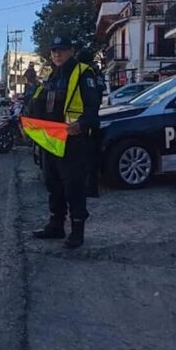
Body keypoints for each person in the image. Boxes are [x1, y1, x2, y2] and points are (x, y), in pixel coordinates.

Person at [30, 36, 102, 249]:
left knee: (74, 186)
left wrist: (81, 124)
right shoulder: (52, 76)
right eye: (54, 51)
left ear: (71, 50)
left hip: (74, 139)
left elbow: (93, 105)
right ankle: (56, 225)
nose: (57, 54)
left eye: (61, 50)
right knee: (54, 184)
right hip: (52, 137)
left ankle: (77, 231)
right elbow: (40, 103)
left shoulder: (82, 72)